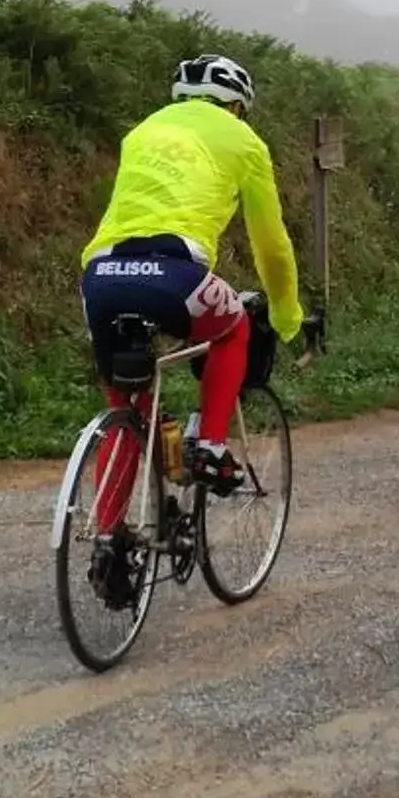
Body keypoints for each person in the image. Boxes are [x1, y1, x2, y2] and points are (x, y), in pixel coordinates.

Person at [78, 54, 311, 502]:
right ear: (237, 105)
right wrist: (286, 315)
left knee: (125, 414)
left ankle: (109, 545)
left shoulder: (142, 131)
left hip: (100, 277)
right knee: (234, 326)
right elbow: (272, 246)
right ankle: (210, 447)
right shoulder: (245, 142)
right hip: (174, 273)